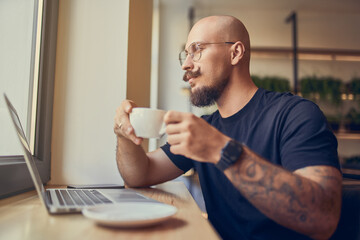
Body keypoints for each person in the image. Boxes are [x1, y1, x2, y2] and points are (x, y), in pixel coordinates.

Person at [114, 15, 342, 240]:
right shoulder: (206, 127)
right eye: (185, 54)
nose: (186, 64)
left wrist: (219, 149)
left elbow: (323, 218)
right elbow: (140, 174)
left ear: (235, 53)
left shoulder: (295, 114)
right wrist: (124, 134)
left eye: (197, 49)